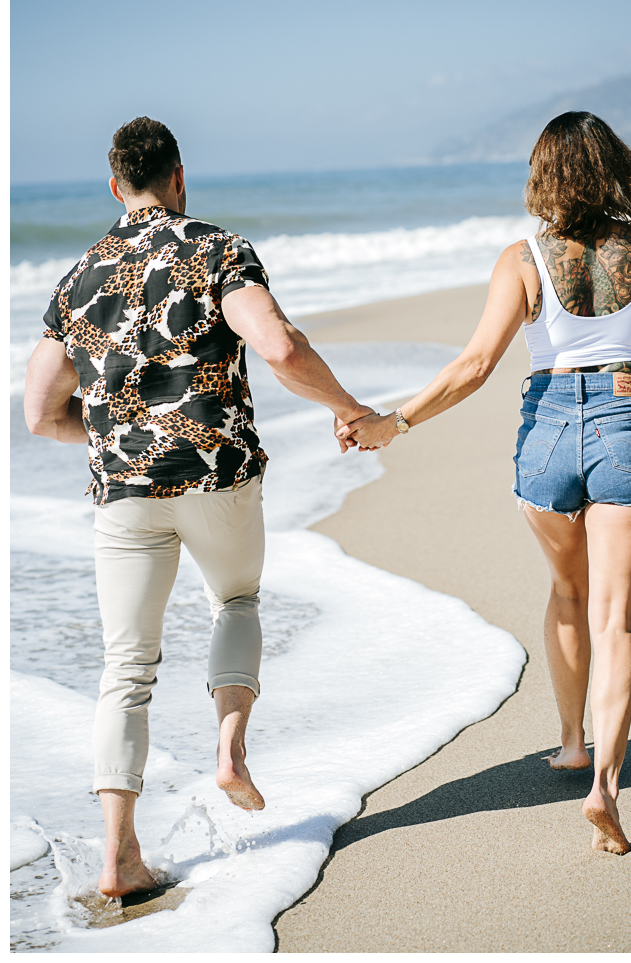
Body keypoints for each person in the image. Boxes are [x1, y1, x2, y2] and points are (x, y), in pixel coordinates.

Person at [23, 116, 371, 898]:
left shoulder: (78, 278)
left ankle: (118, 858)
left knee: (125, 670)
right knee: (236, 600)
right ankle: (230, 750)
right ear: (179, 177)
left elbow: (40, 413)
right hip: (218, 480)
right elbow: (279, 347)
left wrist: (117, 434)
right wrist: (348, 409)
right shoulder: (217, 248)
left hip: (123, 495)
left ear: (116, 186)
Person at [338, 111, 631, 856]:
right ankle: (605, 793)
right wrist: (622, 354)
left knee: (568, 591)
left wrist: (390, 423)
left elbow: (473, 368)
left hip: (549, 429)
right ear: (616, 166)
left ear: (544, 176)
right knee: (616, 619)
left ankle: (569, 743)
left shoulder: (521, 258)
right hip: (626, 417)